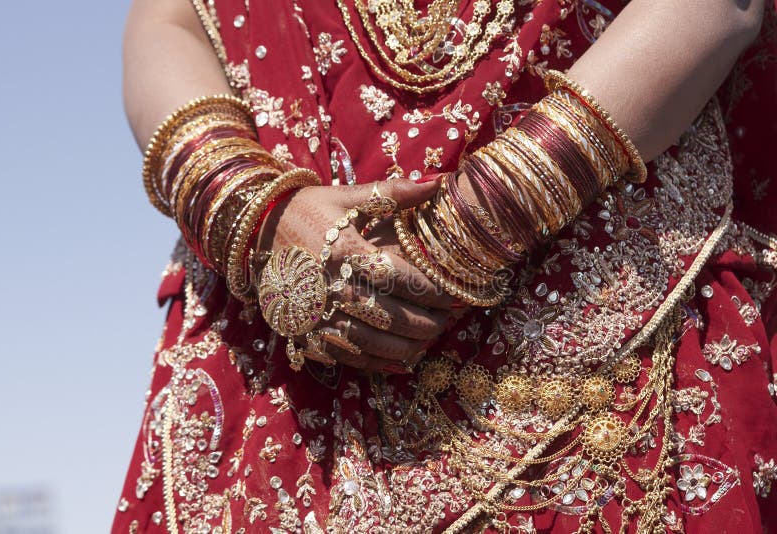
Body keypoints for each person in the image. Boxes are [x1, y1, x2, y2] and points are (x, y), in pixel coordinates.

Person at [113, 0, 777, 531]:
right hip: (274, 340)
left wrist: (474, 224)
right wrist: (249, 209)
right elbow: (169, 16)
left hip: (606, 311)